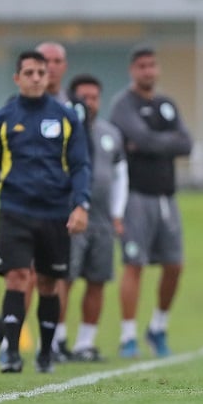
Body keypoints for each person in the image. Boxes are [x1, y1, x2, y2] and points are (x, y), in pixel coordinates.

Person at [0, 50, 90, 373]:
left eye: (41, 72)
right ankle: (10, 351)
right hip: (15, 211)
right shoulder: (2, 119)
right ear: (17, 78)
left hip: (54, 213)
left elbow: (80, 166)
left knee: (49, 283)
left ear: (49, 76)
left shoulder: (66, 118)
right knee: (17, 277)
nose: (36, 77)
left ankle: (46, 353)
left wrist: (81, 205)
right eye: (30, 72)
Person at [109, 45, 192, 358]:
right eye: (142, 66)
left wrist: (152, 144)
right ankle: (127, 335)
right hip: (135, 196)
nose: (148, 71)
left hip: (166, 198)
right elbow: (139, 137)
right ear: (133, 70)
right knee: (134, 264)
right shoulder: (123, 105)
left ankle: (157, 327)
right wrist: (157, 142)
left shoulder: (166, 104)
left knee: (174, 265)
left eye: (152, 66)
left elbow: (185, 143)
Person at [56, 74, 129, 362]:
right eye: (83, 97)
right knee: (65, 278)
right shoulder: (63, 132)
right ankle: (57, 340)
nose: (90, 103)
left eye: (94, 97)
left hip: (102, 220)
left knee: (97, 279)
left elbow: (121, 175)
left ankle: (85, 342)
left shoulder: (110, 134)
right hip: (71, 218)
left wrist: (118, 213)